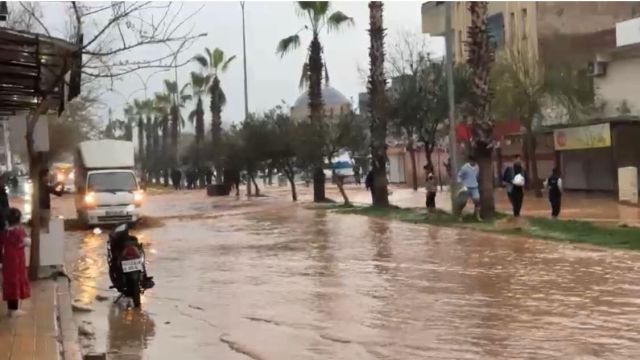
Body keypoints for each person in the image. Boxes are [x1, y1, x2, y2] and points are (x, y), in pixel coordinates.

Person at [1, 208, 31, 317]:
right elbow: (27, 242)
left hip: (7, 261)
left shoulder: (4, 233)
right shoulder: (19, 231)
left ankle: (10, 309)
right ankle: (14, 310)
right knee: (17, 282)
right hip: (17, 262)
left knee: (9, 282)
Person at [456, 156, 481, 221]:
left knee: (477, 201)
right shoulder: (465, 167)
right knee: (463, 203)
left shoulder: (477, 167)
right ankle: (459, 216)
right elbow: (459, 176)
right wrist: (461, 184)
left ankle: (477, 216)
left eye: (475, 162)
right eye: (472, 161)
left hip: (474, 187)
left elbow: (476, 175)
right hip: (466, 187)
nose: (474, 163)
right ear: (470, 161)